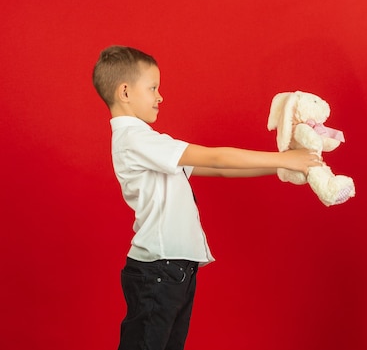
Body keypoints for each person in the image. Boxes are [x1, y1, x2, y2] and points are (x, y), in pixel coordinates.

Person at [92, 45, 321, 350]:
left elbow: (219, 170)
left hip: (174, 270)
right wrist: (284, 160)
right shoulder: (135, 138)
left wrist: (281, 165)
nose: (160, 96)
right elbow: (217, 158)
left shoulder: (147, 143)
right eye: (153, 88)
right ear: (125, 91)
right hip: (159, 271)